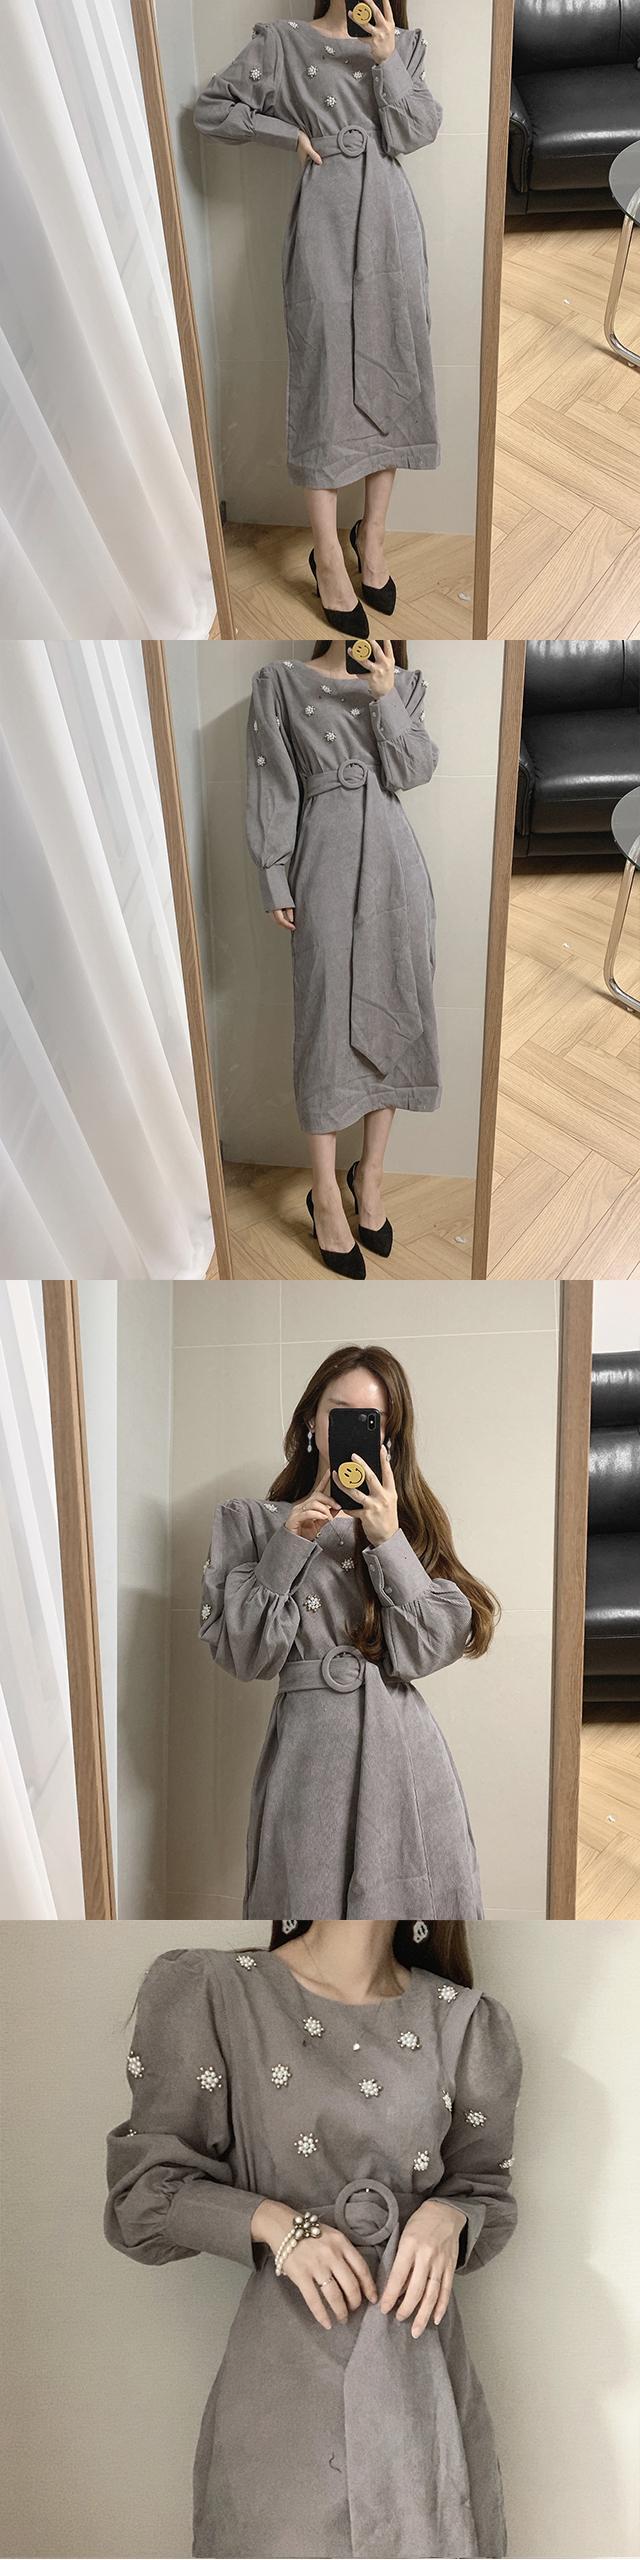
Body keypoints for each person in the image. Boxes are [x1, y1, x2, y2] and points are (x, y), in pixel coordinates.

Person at [105, 1919, 522, 2560]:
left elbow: (486, 2190)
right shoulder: (215, 1992)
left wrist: (449, 2217)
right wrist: (275, 2224)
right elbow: (143, 2199)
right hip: (285, 2377)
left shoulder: (465, 2021)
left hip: (421, 2378)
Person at [200, 1344, 498, 1915]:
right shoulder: (251, 1522)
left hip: (405, 1753)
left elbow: (433, 1646)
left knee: (411, 1918)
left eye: (372, 1419)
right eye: (340, 1413)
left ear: (389, 1436)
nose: (354, 1430)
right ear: (312, 1420)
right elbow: (243, 1654)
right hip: (308, 1756)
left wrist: (388, 1540)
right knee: (306, 1910)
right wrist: (290, 1544)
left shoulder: (408, 1527)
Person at [194, 2, 442, 632]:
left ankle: (372, 539)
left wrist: (388, 62)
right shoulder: (283, 43)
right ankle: (327, 555)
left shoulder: (403, 44)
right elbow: (212, 109)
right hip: (323, 224)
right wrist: (288, 136)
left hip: (390, 223)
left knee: (394, 368)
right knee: (324, 378)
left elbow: (417, 132)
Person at [247, 639, 440, 1271]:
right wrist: (275, 875)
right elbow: (272, 781)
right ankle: (325, 1194)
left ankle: (370, 1178)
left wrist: (386, 697)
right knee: (325, 1020)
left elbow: (414, 771)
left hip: (395, 863)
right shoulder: (279, 682)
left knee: (397, 1004)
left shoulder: (402, 683)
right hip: (323, 860)